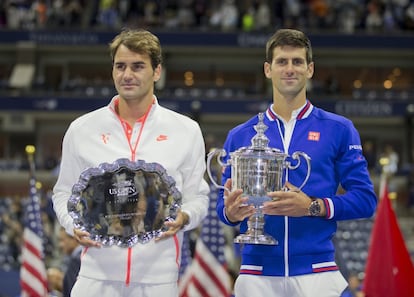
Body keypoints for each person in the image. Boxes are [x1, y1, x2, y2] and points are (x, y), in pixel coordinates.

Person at [216, 28, 377, 297]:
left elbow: (365, 200)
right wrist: (231, 213)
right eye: (282, 62)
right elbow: (224, 208)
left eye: (297, 62)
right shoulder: (241, 135)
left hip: (318, 272)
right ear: (268, 69)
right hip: (257, 272)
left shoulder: (339, 129)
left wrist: (312, 206)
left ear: (310, 69)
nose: (289, 69)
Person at [52, 28, 210, 297]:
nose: (127, 75)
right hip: (94, 276)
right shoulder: (82, 129)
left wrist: (183, 217)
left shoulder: (186, 130)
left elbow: (199, 198)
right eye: (120, 66)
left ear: (157, 72)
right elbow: (63, 192)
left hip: (158, 280)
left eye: (138, 67)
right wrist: (72, 224)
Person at [57, 228, 82, 297]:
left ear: (74, 239)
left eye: (62, 240)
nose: (60, 245)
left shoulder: (77, 260)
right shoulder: (79, 257)